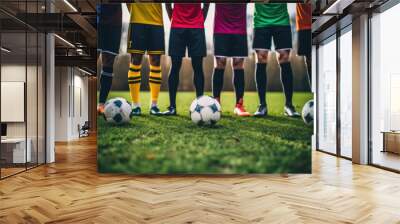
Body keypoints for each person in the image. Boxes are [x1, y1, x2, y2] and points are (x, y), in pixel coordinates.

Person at [252, 3, 300, 117]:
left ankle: (289, 105)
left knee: (284, 57)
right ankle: (262, 105)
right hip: (261, 21)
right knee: (261, 57)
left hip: (281, 20)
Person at [163, 3, 210, 115]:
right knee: (175, 65)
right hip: (177, 25)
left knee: (198, 66)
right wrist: (174, 18)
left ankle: (200, 105)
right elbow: (167, 3)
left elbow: (207, 3)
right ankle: (172, 107)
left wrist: (200, 19)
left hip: (197, 26)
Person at [212, 3, 250, 116]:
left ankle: (239, 105)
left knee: (238, 63)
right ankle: (216, 103)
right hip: (220, 28)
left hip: (239, 29)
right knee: (220, 63)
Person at [127, 3, 165, 116]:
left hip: (156, 21)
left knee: (156, 62)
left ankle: (154, 105)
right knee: (136, 60)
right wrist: (135, 13)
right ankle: (135, 105)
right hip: (137, 21)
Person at [97, 4, 122, 114]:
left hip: (114, 19)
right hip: (97, 16)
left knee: (109, 61)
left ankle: (101, 104)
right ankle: (87, 102)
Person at [296, 3, 312, 87]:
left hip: (305, 26)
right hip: (303, 26)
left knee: (309, 60)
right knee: (308, 60)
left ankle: (313, 88)